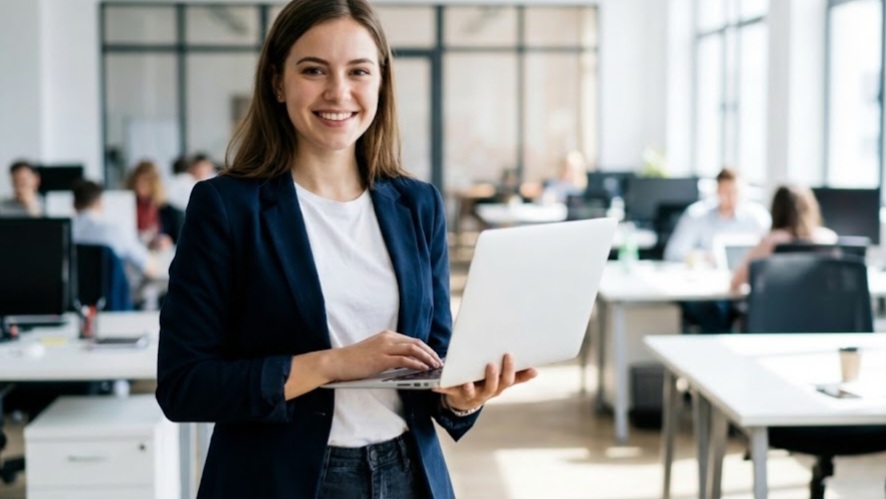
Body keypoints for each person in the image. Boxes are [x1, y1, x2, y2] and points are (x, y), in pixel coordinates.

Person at [155, 2, 537, 499]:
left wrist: (462, 398)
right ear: (277, 82)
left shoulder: (416, 204)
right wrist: (332, 364)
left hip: (408, 474)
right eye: (314, 70)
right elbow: (185, 384)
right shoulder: (226, 207)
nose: (338, 92)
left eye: (359, 71)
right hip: (281, 481)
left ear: (380, 83)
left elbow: (434, 357)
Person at [730, 184, 838, 292]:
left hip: (776, 307)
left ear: (777, 210)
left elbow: (736, 281)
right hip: (819, 307)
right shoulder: (828, 239)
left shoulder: (771, 241)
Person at [664, 167, 770, 263]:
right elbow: (673, 254)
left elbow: (770, 253)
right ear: (717, 191)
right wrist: (704, 258)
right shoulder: (696, 215)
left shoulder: (758, 217)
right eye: (727, 193)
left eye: (736, 192)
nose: (732, 198)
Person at [71, 180, 158, 279]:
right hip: (111, 293)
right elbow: (149, 267)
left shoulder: (61, 234)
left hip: (70, 294)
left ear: (74, 204)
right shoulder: (115, 231)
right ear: (100, 203)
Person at [124, 160, 182, 248]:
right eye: (138, 181)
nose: (140, 185)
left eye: (146, 182)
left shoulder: (171, 212)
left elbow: (180, 241)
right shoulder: (126, 207)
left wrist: (169, 242)